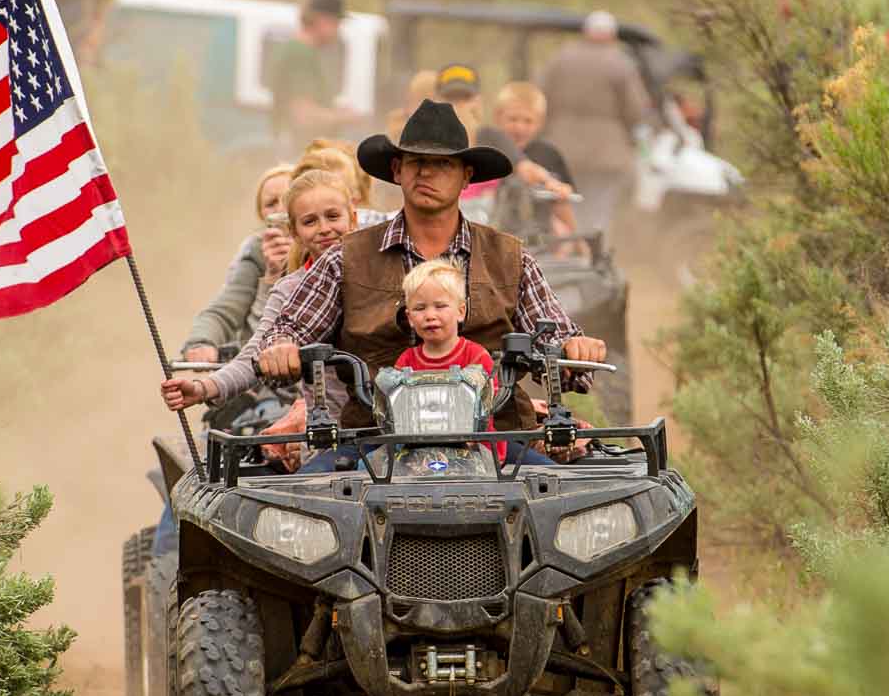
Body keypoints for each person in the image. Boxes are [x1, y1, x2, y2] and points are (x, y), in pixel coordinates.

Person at [233, 99, 607, 472]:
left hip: (497, 444)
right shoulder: (345, 258)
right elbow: (289, 328)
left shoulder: (511, 258)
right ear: (397, 170)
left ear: (466, 175)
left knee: (570, 506)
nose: (426, 173)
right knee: (298, 509)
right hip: (371, 442)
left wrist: (575, 351)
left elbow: (557, 340)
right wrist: (279, 348)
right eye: (416, 162)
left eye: (442, 163)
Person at [161, 169, 359, 412]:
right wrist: (203, 385)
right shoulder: (268, 267)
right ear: (294, 229)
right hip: (318, 416)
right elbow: (253, 347)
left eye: (332, 216)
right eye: (310, 221)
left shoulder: (382, 264)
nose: (324, 228)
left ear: (353, 217)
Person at [535, 9, 651, 238]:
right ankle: (593, 257)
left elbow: (539, 96)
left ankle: (567, 255)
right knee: (599, 209)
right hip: (607, 153)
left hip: (562, 148)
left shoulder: (561, 58)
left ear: (585, 32)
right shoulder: (621, 64)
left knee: (566, 204)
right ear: (612, 35)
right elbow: (636, 111)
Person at [393, 259, 507, 463]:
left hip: (474, 445)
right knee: (365, 465)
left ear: (461, 311)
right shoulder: (406, 360)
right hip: (416, 446)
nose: (430, 315)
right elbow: (395, 409)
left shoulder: (477, 357)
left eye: (440, 306)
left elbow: (488, 409)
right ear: (409, 317)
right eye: (420, 308)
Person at [179, 164, 293, 362]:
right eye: (271, 204)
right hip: (264, 372)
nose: (280, 209)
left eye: (288, 199)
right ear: (262, 215)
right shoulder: (257, 252)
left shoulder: (329, 244)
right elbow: (225, 308)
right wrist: (201, 341)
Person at [269, 0, 369, 152]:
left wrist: (334, 111)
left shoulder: (298, 50)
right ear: (321, 20)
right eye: (337, 23)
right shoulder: (300, 53)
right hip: (298, 151)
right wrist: (345, 117)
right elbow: (303, 115)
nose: (338, 30)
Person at [490, 81, 578, 239]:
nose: (519, 128)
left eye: (528, 121)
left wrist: (578, 245)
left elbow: (565, 203)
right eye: (513, 119)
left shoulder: (548, 154)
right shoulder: (488, 149)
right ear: (497, 117)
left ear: (540, 123)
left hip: (542, 239)